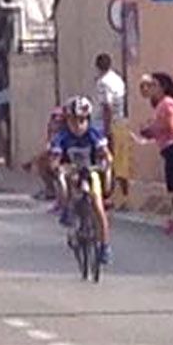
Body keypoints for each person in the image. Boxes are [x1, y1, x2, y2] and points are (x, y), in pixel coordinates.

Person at [50, 95, 113, 264]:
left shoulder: (94, 134)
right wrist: (57, 166)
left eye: (82, 120)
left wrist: (106, 162)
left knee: (98, 207)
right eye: (73, 120)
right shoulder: (62, 137)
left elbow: (105, 154)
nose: (78, 125)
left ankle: (105, 245)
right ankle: (67, 208)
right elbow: (55, 158)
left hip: (91, 170)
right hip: (73, 171)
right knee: (66, 182)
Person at [135, 71, 173, 233]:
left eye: (154, 85)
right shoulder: (163, 104)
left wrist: (149, 130)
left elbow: (168, 125)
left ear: (163, 87)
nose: (151, 89)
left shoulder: (167, 104)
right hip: (172, 149)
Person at [92, 53, 128, 149]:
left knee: (104, 157)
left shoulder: (103, 82)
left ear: (97, 66)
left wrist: (106, 130)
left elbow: (107, 106)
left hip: (103, 125)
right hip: (118, 122)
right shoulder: (118, 79)